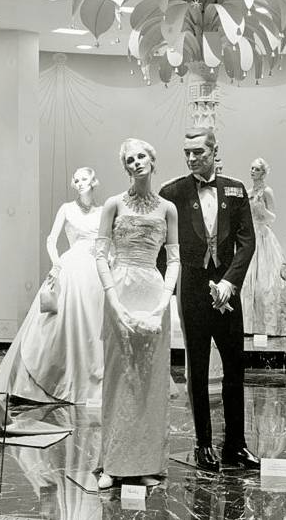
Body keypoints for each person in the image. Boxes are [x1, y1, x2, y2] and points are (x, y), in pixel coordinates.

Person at [159, 127, 259, 472]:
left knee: (235, 368)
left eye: (198, 152)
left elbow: (247, 242)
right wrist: (167, 291)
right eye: (186, 152)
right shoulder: (171, 192)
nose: (190, 158)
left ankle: (236, 444)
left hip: (228, 292)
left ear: (215, 151)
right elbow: (164, 249)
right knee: (197, 369)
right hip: (193, 291)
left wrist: (231, 282)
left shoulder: (236, 189)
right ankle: (202, 444)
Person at [95, 138, 180, 489]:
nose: (136, 162)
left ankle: (146, 462)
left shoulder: (168, 209)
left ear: (153, 159)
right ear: (125, 166)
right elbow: (100, 255)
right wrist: (113, 300)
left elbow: (174, 259)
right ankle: (113, 464)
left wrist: (163, 303)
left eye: (141, 156)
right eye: (129, 159)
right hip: (121, 288)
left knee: (151, 380)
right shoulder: (113, 204)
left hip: (153, 290)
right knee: (120, 376)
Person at [0, 167, 104, 404]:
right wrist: (55, 263)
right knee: (58, 321)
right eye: (76, 179)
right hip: (70, 266)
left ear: (94, 182)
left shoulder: (103, 212)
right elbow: (52, 239)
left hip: (95, 269)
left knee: (95, 322)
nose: (80, 182)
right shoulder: (67, 208)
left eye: (84, 178)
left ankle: (93, 376)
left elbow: (106, 241)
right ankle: (53, 375)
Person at [241, 158, 286, 337]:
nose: (253, 171)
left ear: (263, 173)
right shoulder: (249, 191)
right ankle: (248, 325)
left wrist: (262, 210)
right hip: (250, 236)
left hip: (264, 236)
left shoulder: (267, 192)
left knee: (267, 283)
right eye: (251, 168)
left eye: (257, 169)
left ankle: (269, 326)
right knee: (247, 282)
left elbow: (272, 218)